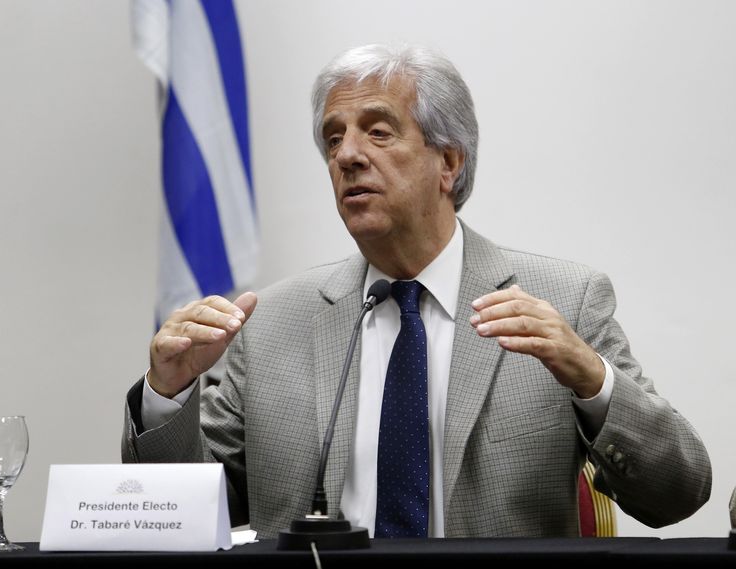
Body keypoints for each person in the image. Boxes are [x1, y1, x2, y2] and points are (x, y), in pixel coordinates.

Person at [122, 43, 711, 538]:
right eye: (333, 139)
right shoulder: (274, 322)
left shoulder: (565, 301)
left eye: (377, 132)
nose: (347, 155)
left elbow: (677, 492)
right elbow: (189, 516)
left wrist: (592, 378)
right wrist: (166, 398)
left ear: (448, 162)